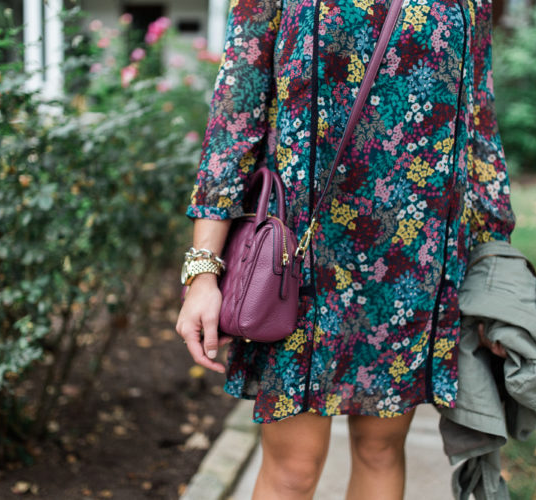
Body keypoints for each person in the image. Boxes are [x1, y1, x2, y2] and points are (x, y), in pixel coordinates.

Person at [175, 0, 515, 497]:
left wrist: (495, 281)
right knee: (294, 469)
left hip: (412, 263)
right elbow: (235, 115)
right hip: (299, 260)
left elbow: (479, 129)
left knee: (379, 452)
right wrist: (203, 271)